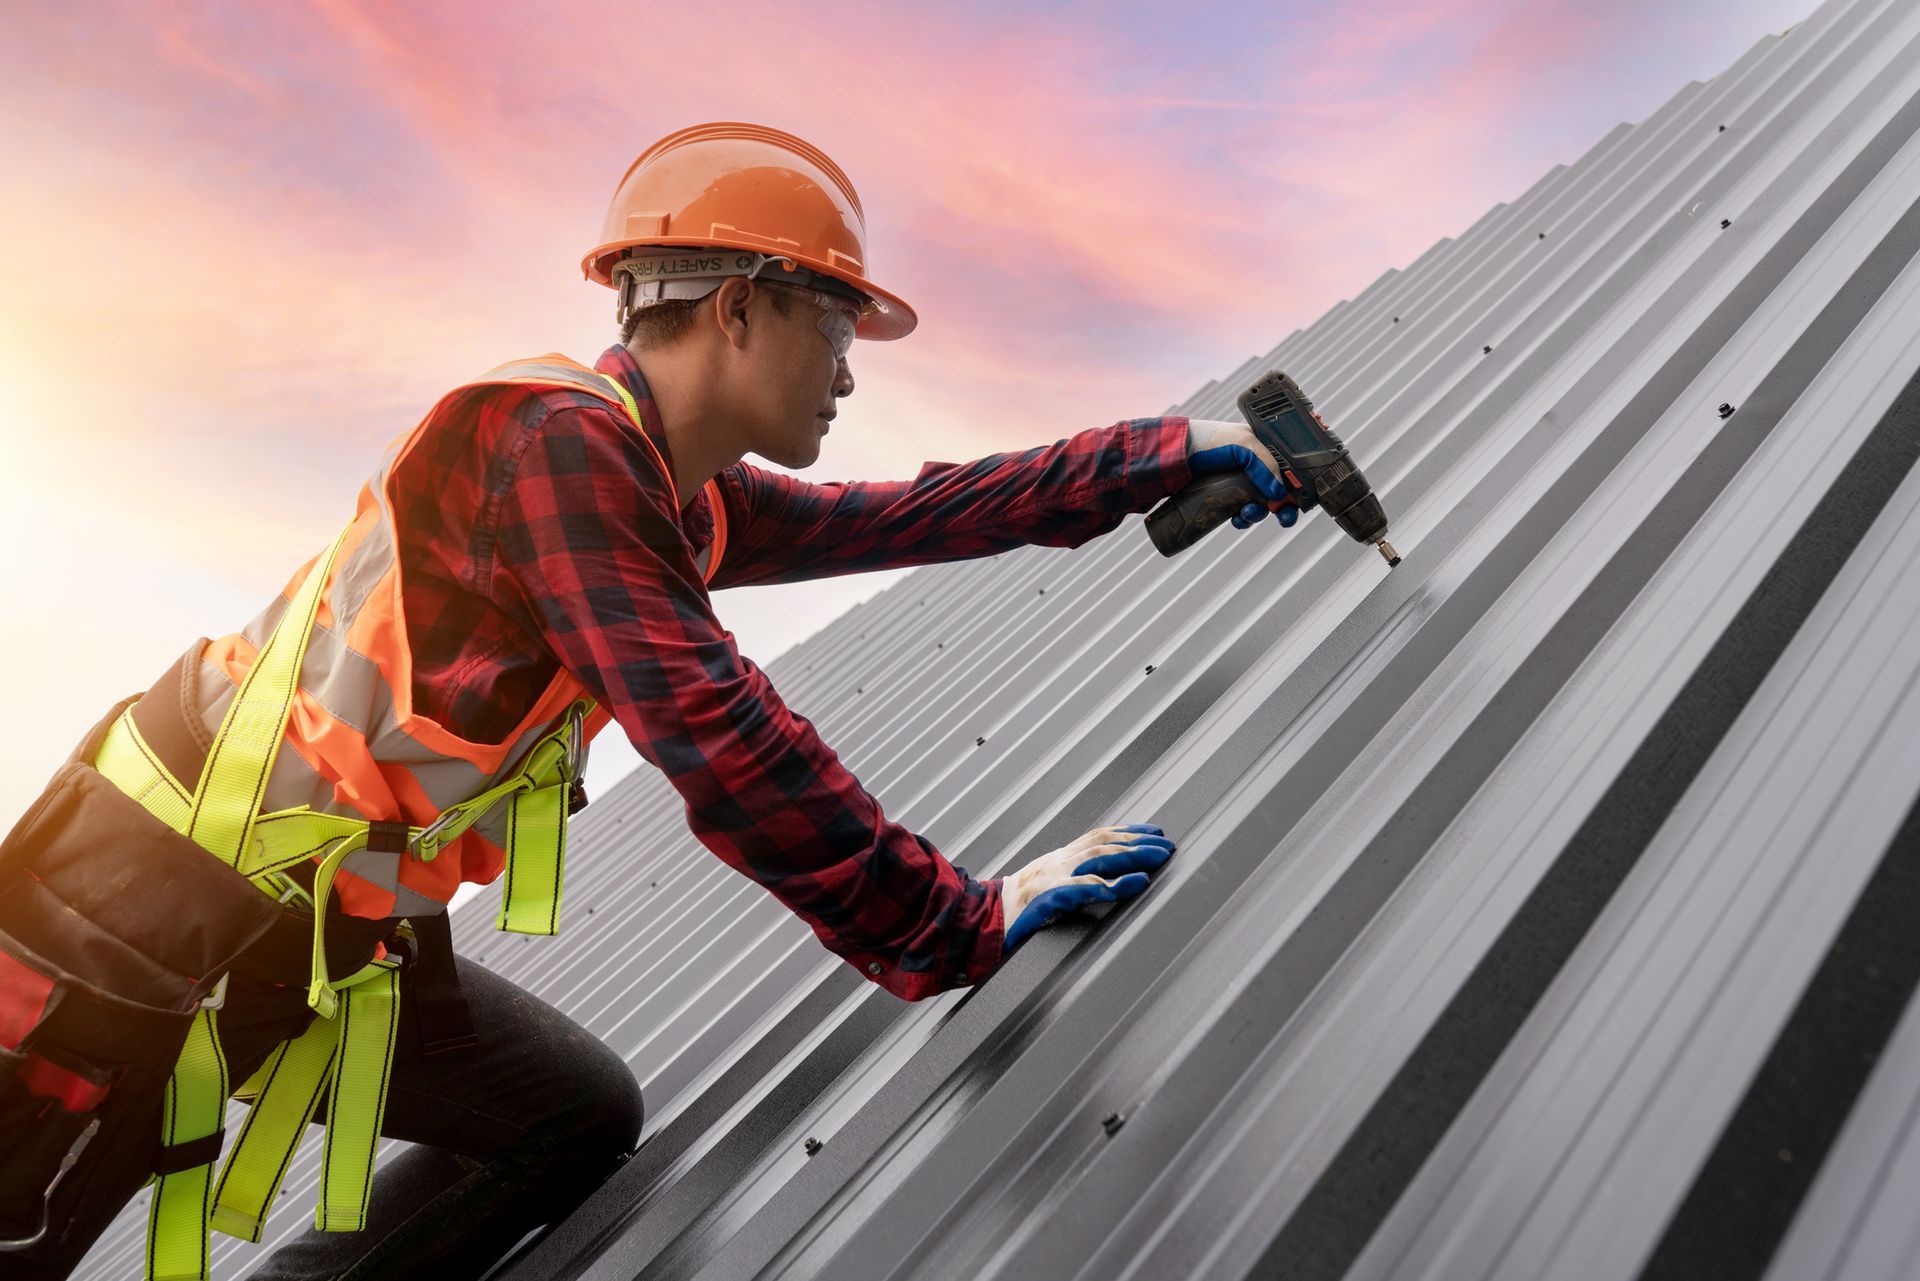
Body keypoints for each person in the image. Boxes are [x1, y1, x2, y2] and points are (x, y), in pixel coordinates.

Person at [0, 121, 1299, 1280]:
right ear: (740, 309)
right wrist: (960, 923)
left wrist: (1155, 459)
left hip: (317, 938)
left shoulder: (668, 497)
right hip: (123, 921)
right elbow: (723, 737)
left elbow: (906, 511)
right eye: (836, 330)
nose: (848, 374)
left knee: (567, 1122)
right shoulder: (559, 453)